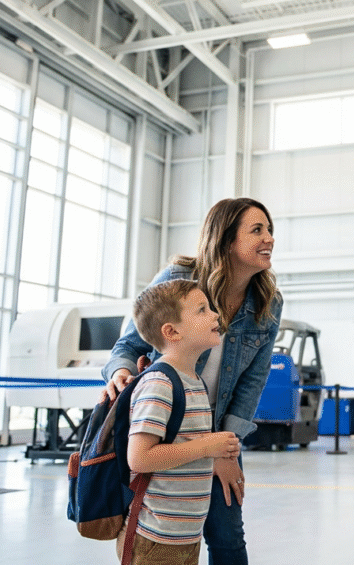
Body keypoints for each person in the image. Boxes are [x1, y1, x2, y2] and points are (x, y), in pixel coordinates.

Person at [104, 197, 283, 564]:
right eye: (257, 230)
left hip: (217, 428)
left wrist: (225, 447)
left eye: (270, 230)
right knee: (159, 532)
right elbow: (130, 343)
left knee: (227, 533)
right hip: (163, 429)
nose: (269, 239)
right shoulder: (177, 280)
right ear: (227, 239)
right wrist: (120, 372)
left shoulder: (268, 302)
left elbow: (253, 379)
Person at [122, 279, 241, 565]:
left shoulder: (195, 381)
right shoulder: (160, 384)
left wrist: (218, 450)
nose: (214, 314)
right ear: (172, 331)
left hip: (185, 536)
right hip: (156, 540)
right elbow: (139, 458)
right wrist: (206, 446)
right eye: (202, 310)